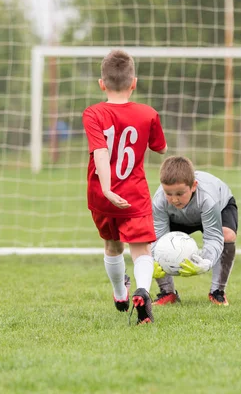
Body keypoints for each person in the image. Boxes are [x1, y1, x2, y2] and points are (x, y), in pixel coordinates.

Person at [83, 49, 167, 324]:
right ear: (134, 82)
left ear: (102, 83)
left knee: (112, 246)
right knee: (141, 250)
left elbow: (101, 153)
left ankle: (120, 293)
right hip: (134, 193)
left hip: (102, 194)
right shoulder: (148, 114)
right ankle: (142, 291)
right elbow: (160, 147)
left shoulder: (93, 113)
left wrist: (107, 189)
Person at [151, 156, 238, 306]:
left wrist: (206, 263)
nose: (174, 199)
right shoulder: (159, 201)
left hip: (219, 208)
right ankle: (167, 292)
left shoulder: (207, 199)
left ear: (193, 186)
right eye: (169, 193)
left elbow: (213, 238)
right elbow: (157, 237)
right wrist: (152, 261)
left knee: (227, 235)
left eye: (179, 193)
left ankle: (217, 292)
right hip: (178, 217)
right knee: (147, 237)